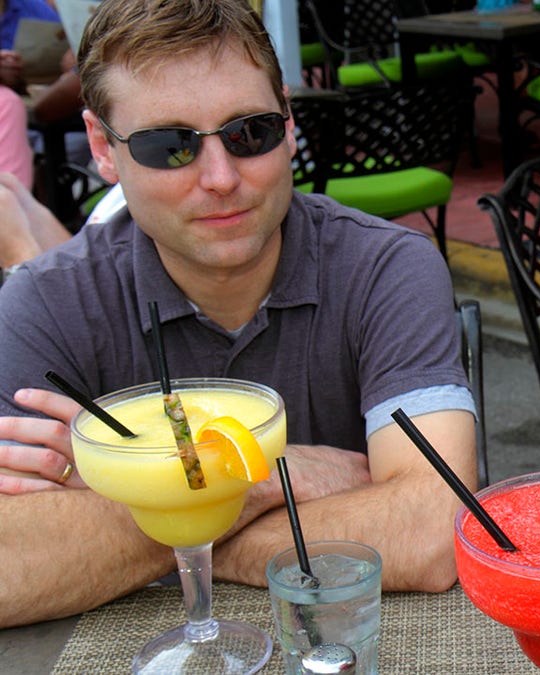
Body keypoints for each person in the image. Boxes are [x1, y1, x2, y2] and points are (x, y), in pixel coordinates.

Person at [0, 0, 477, 629]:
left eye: (249, 132)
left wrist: (129, 509)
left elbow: (434, 529)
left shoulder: (387, 268)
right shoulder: (47, 302)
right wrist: (254, 480)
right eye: (169, 146)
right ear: (103, 149)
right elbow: (11, 567)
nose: (221, 177)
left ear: (288, 118)